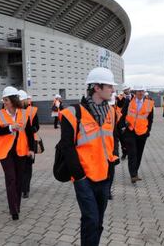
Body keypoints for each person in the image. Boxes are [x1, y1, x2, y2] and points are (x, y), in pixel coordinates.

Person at [59, 67, 119, 246]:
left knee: (98, 221)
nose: (113, 90)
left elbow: (113, 140)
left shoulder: (112, 112)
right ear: (96, 88)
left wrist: (112, 162)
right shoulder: (72, 113)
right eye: (109, 86)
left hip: (105, 175)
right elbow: (67, 147)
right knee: (91, 218)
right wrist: (79, 176)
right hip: (84, 177)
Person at [0, 86, 35, 221]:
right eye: (4, 100)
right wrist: (11, 127)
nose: (4, 102)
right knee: (11, 178)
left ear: (13, 100)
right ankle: (13, 210)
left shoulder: (24, 113)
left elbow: (30, 132)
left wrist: (31, 149)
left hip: (21, 150)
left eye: (6, 99)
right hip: (5, 152)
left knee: (19, 179)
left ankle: (17, 204)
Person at [119, 85, 154, 183]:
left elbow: (150, 119)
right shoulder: (129, 101)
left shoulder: (149, 103)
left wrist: (148, 131)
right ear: (135, 92)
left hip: (142, 132)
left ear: (144, 92)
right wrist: (122, 127)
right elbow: (122, 114)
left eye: (142, 91)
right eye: (138, 91)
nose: (140, 93)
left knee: (139, 153)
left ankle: (135, 172)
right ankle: (133, 175)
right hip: (130, 131)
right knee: (132, 153)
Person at [18, 90, 40, 199]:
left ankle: (25, 189)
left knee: (27, 167)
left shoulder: (32, 110)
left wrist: (32, 129)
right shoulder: (15, 111)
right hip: (19, 143)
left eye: (21, 100)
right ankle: (23, 187)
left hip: (30, 142)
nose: (20, 102)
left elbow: (36, 126)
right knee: (23, 167)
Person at [116, 85, 133, 160]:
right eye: (125, 90)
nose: (127, 91)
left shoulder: (134, 97)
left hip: (132, 120)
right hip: (122, 120)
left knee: (131, 138)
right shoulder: (120, 97)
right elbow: (119, 105)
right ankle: (124, 153)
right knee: (122, 138)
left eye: (127, 89)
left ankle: (131, 152)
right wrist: (123, 98)